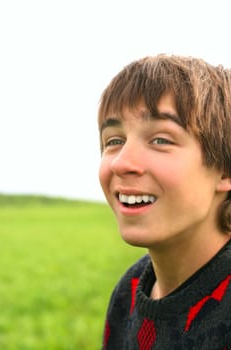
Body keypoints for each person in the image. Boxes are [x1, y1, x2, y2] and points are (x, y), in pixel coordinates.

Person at [98, 54, 231, 349]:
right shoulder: (129, 291)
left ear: (225, 169)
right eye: (113, 141)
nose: (121, 163)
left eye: (160, 140)